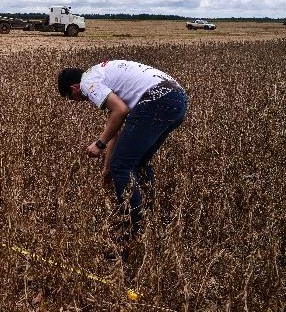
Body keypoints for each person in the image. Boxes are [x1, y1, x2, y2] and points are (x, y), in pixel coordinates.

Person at [57, 60, 188, 249]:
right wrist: (107, 168)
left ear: (74, 88)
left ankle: (134, 229)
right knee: (139, 162)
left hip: (156, 100)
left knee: (123, 166)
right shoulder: (101, 76)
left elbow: (121, 110)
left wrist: (99, 144)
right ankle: (149, 216)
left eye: (72, 97)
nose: (76, 101)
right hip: (177, 98)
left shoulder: (87, 83)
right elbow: (115, 130)